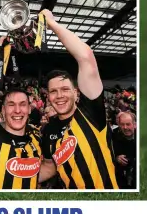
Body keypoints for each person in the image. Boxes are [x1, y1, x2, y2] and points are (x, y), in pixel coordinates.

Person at [40, 10, 119, 190]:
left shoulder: (90, 112)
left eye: (65, 89)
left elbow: (86, 57)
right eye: (53, 91)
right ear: (48, 97)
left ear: (76, 93)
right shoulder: (48, 130)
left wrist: (51, 24)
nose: (59, 95)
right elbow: (50, 167)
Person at [0, 36, 45, 190]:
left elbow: (44, 169)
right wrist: (1, 47)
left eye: (22, 104)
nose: (17, 110)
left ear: (30, 109)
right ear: (3, 111)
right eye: (11, 105)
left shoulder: (37, 139)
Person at [112, 111, 137, 189]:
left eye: (128, 124)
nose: (125, 127)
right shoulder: (114, 136)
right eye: (122, 125)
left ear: (135, 124)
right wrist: (116, 158)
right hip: (121, 179)